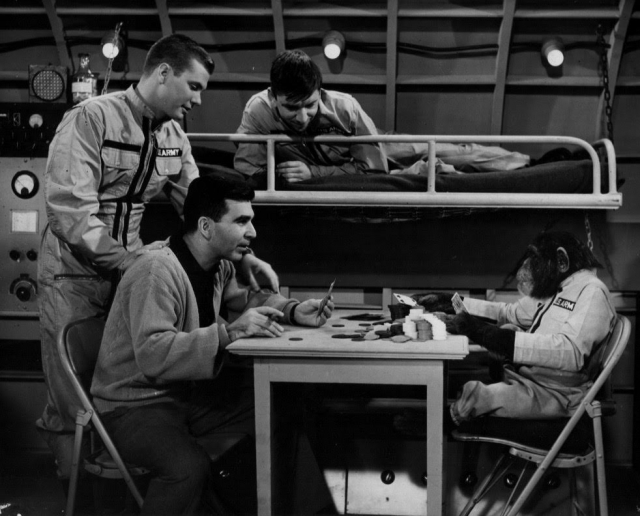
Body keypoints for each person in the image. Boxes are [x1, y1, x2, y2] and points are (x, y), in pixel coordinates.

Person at [37, 33, 279, 500]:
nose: (198, 98)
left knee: (123, 379)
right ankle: (82, 503)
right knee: (73, 402)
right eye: (193, 86)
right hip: (73, 275)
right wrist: (131, 263)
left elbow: (205, 208)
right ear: (163, 73)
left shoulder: (172, 135)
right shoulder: (91, 118)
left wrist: (244, 255)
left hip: (127, 270)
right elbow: (71, 213)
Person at [90, 174, 334, 515]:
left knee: (282, 406)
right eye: (241, 222)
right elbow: (154, 355)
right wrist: (229, 334)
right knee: (187, 468)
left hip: (186, 396)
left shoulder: (216, 266)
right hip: (133, 406)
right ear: (206, 226)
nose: (253, 233)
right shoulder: (155, 270)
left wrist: (293, 310)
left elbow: (243, 303)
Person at [233, 49, 529, 183]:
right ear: (273, 97)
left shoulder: (345, 107)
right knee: (438, 165)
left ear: (320, 92)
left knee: (456, 153)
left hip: (375, 147)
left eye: (309, 104)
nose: (302, 116)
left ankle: (527, 163)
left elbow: (374, 170)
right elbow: (248, 171)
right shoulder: (257, 111)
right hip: (341, 164)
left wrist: (316, 174)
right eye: (290, 107)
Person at [417, 231, 616, 425]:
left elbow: (571, 353)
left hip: (555, 394)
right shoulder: (559, 286)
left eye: (535, 258)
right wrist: (449, 302)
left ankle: (436, 424)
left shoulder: (591, 292)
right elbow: (509, 313)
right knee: (506, 331)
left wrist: (483, 332)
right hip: (531, 379)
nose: (527, 266)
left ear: (562, 261)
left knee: (479, 394)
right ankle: (440, 418)